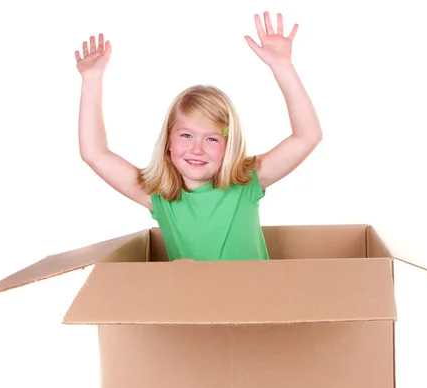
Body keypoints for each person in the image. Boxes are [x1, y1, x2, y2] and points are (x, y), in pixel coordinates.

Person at [74, 12, 322, 261]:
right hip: (192, 301)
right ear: (169, 141)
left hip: (255, 299)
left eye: (212, 139)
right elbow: (94, 153)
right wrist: (92, 80)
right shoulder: (159, 197)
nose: (197, 149)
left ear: (229, 145)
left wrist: (282, 66)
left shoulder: (247, 183)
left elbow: (307, 136)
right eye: (186, 135)